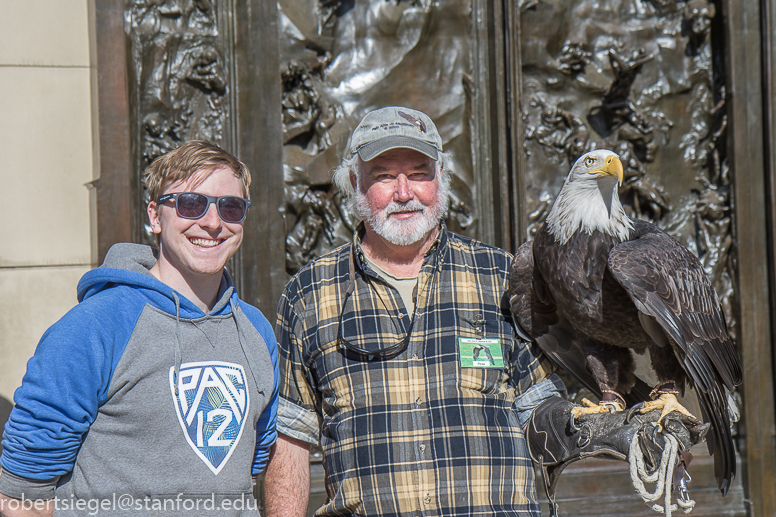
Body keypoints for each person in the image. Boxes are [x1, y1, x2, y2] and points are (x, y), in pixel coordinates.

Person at [263, 106, 566, 516]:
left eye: (420, 173)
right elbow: (290, 439)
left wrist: (607, 428)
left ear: (441, 177)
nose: (404, 192)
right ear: (354, 182)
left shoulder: (499, 275)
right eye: (384, 176)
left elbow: (541, 408)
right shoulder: (308, 294)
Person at [0, 141, 278, 516]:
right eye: (191, 204)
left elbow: (254, 464)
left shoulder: (257, 330)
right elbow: (23, 492)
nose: (213, 222)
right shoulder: (92, 327)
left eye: (230, 207)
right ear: (155, 216)